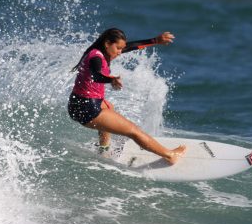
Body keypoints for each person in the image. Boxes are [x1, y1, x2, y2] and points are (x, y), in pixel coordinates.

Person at [68, 28, 186, 164]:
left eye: (121, 49)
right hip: (86, 107)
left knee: (109, 107)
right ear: (107, 44)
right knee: (133, 131)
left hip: (80, 103)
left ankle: (104, 150)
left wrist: (155, 41)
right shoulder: (96, 57)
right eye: (118, 48)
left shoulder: (103, 51)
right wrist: (111, 79)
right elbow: (96, 75)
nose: (120, 52)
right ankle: (170, 156)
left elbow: (130, 46)